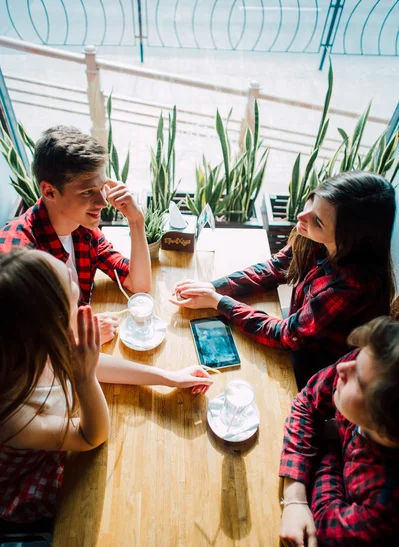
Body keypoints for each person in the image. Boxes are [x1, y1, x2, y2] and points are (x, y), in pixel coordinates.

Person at [0, 249, 212, 522]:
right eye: (73, 299)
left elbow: (95, 365)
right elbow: (91, 437)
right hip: (33, 473)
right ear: (52, 326)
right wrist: (85, 378)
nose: (75, 282)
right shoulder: (13, 416)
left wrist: (167, 376)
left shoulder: (30, 343)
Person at [170, 172, 396, 389]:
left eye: (317, 220)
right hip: (298, 329)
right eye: (312, 201)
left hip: (316, 367)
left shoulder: (352, 287)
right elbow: (277, 266)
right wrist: (214, 287)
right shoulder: (315, 237)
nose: (301, 216)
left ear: (347, 239)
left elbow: (286, 335)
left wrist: (219, 301)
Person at [279, 316, 399, 547]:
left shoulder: (387, 504)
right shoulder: (371, 363)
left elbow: (324, 523)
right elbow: (307, 400)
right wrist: (295, 495)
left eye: (359, 377)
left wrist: (327, 441)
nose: (343, 365)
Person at [0, 125, 151, 345]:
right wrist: (78, 336)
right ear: (49, 191)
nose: (103, 202)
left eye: (102, 187)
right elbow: (22, 347)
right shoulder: (17, 256)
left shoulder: (83, 229)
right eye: (87, 192)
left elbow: (139, 284)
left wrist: (136, 221)